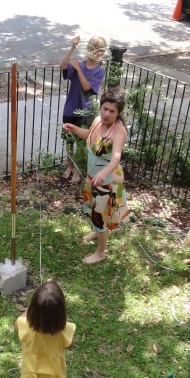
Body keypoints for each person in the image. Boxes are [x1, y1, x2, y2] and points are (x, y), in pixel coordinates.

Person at [63, 90, 130, 264]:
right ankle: (97, 231)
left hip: (107, 181)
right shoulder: (97, 121)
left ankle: (100, 252)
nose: (107, 114)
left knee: (102, 216)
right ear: (100, 107)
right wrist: (75, 129)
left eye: (112, 111)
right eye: (105, 108)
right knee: (95, 210)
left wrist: (105, 171)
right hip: (93, 177)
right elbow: (89, 136)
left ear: (118, 113)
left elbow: (116, 157)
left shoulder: (119, 132)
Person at [15, 281, 76, 378]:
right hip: (51, 374)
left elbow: (16, 325)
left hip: (31, 372)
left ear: (33, 310)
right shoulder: (63, 330)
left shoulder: (26, 325)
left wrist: (29, 311)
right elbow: (70, 344)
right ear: (61, 312)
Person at [59, 35, 107, 183]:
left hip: (85, 111)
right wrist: (72, 47)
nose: (95, 52)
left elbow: (87, 87)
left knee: (81, 141)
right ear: (88, 47)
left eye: (98, 50)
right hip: (70, 108)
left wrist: (78, 69)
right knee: (68, 140)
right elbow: (62, 65)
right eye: (92, 47)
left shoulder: (99, 71)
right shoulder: (78, 64)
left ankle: (78, 170)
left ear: (102, 53)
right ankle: (69, 166)